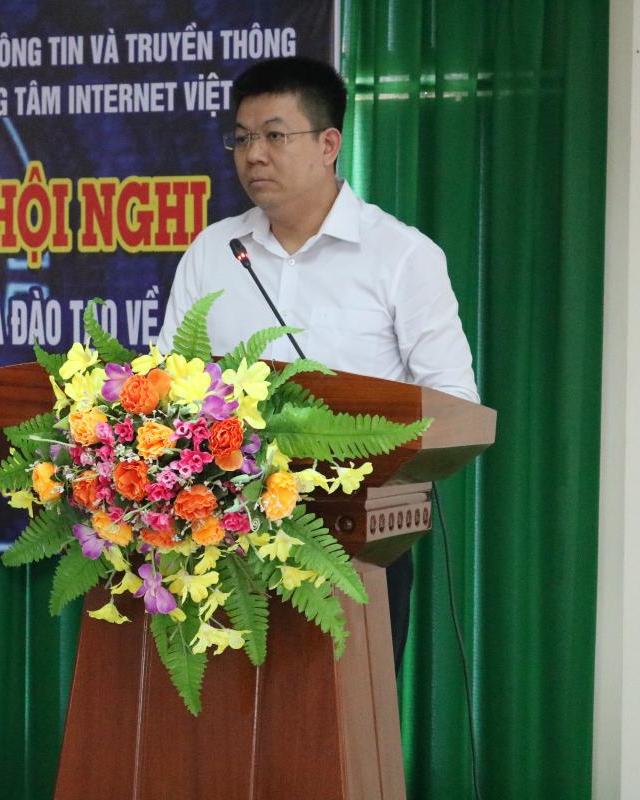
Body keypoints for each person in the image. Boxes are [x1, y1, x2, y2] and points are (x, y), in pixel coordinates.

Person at [155, 56, 479, 671]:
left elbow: (455, 406)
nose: (254, 155)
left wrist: (369, 469)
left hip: (355, 547)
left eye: (275, 136)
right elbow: (167, 386)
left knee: (349, 729)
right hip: (218, 546)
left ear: (329, 144)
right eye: (242, 138)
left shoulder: (401, 257)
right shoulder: (214, 251)